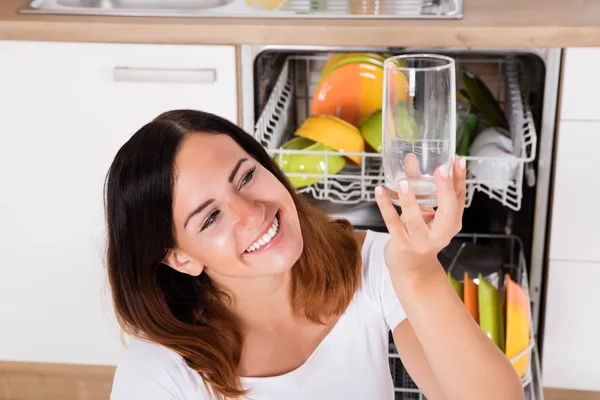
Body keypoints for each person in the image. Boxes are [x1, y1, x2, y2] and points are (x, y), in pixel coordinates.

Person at [106, 109, 524, 400]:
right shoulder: (157, 373)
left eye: (247, 175)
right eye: (210, 217)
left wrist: (418, 272)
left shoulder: (373, 264)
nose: (252, 213)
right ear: (180, 258)